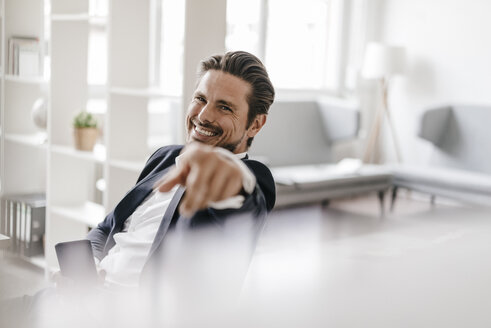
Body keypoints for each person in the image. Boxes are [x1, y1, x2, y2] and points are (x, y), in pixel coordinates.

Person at [88, 50, 276, 288]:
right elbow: (106, 227)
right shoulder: (164, 157)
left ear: (255, 124)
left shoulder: (252, 177)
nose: (204, 115)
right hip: (87, 296)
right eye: (200, 99)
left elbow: (246, 200)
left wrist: (229, 175)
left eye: (225, 108)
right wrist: (86, 267)